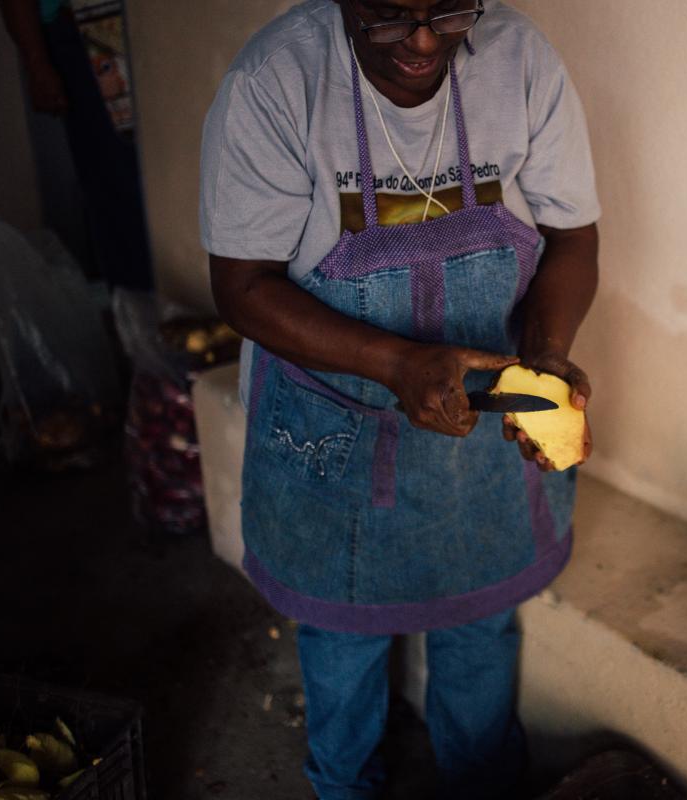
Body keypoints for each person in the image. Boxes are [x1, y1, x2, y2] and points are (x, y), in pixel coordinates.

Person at [200, 1, 599, 796]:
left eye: (449, 9)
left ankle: (480, 780)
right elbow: (243, 288)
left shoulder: (520, 61)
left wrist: (547, 356)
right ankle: (344, 786)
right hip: (333, 426)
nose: (422, 41)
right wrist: (397, 365)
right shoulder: (275, 83)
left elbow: (573, 236)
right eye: (387, 16)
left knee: (479, 621)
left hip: (481, 421)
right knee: (342, 638)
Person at [0, 0, 154, 292]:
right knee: (116, 186)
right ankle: (140, 311)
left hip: (157, 24)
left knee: (181, 172)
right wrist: (36, 61)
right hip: (86, 30)